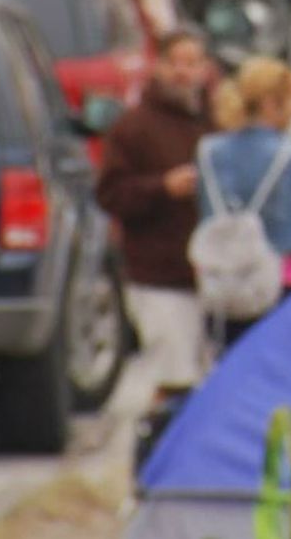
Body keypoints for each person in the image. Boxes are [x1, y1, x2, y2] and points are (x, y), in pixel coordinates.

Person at [97, 28, 212, 390]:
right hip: (157, 278)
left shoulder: (215, 123)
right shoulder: (133, 127)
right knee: (173, 382)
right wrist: (162, 187)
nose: (183, 72)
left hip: (213, 278)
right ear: (158, 66)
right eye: (175, 62)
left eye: (191, 63)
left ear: (205, 69)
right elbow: (110, 194)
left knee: (207, 387)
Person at [200, 57, 291, 345]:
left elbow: (204, 211)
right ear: (271, 103)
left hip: (223, 278)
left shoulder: (207, 151)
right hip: (283, 275)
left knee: (234, 364)